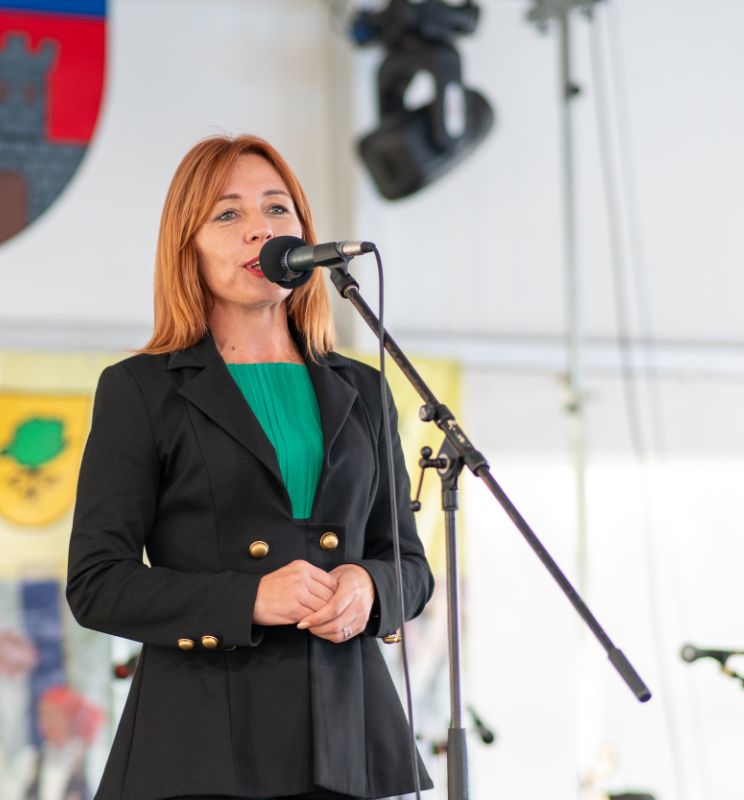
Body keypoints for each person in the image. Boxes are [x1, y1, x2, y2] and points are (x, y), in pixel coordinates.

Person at [66, 134, 435, 800]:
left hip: (347, 736)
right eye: (228, 213)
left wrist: (369, 586)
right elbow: (97, 583)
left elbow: (410, 565)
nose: (259, 229)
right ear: (187, 246)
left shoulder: (363, 387)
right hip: (204, 741)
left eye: (276, 208)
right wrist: (249, 599)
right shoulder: (141, 389)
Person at [6, 685, 101, 800]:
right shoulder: (29, 760)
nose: (47, 723)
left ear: (71, 718)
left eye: (54, 715)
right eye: (43, 715)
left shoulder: (92, 760)